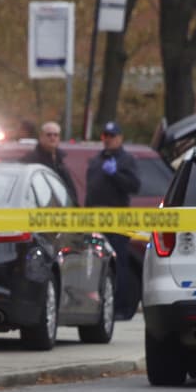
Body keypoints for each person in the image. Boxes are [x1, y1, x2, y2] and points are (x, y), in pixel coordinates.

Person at [85, 120, 140, 317]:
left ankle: (122, 308)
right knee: (98, 265)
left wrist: (115, 174)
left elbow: (134, 186)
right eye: (105, 136)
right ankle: (101, 306)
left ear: (120, 138)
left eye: (112, 136)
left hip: (117, 219)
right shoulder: (97, 160)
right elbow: (90, 190)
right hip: (96, 219)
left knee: (120, 264)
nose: (108, 140)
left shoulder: (126, 160)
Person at [22, 120, 79, 205]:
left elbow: (70, 190)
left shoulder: (60, 160)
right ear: (41, 137)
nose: (53, 137)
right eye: (49, 135)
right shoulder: (31, 161)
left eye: (56, 135)